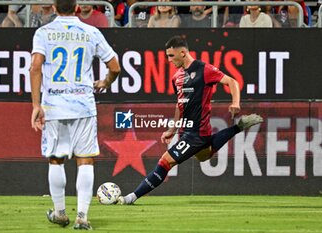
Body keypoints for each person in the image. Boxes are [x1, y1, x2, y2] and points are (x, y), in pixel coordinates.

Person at [118, 35, 263, 205]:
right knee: (204, 155)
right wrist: (172, 130)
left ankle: (131, 198)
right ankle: (238, 127)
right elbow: (180, 105)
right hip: (187, 130)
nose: (169, 60)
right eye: (167, 56)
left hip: (196, 132)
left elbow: (232, 82)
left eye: (171, 56)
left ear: (183, 52)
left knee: (165, 162)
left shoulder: (204, 70)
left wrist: (235, 103)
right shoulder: (176, 77)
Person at [30, 0, 120, 230]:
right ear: (77, 7)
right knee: (86, 160)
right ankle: (82, 217)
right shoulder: (91, 32)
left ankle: (60, 213)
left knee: (56, 159)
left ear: (54, 7)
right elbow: (115, 67)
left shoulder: (44, 32)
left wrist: (35, 105)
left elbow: (35, 67)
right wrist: (105, 82)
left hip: (54, 105)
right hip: (83, 105)